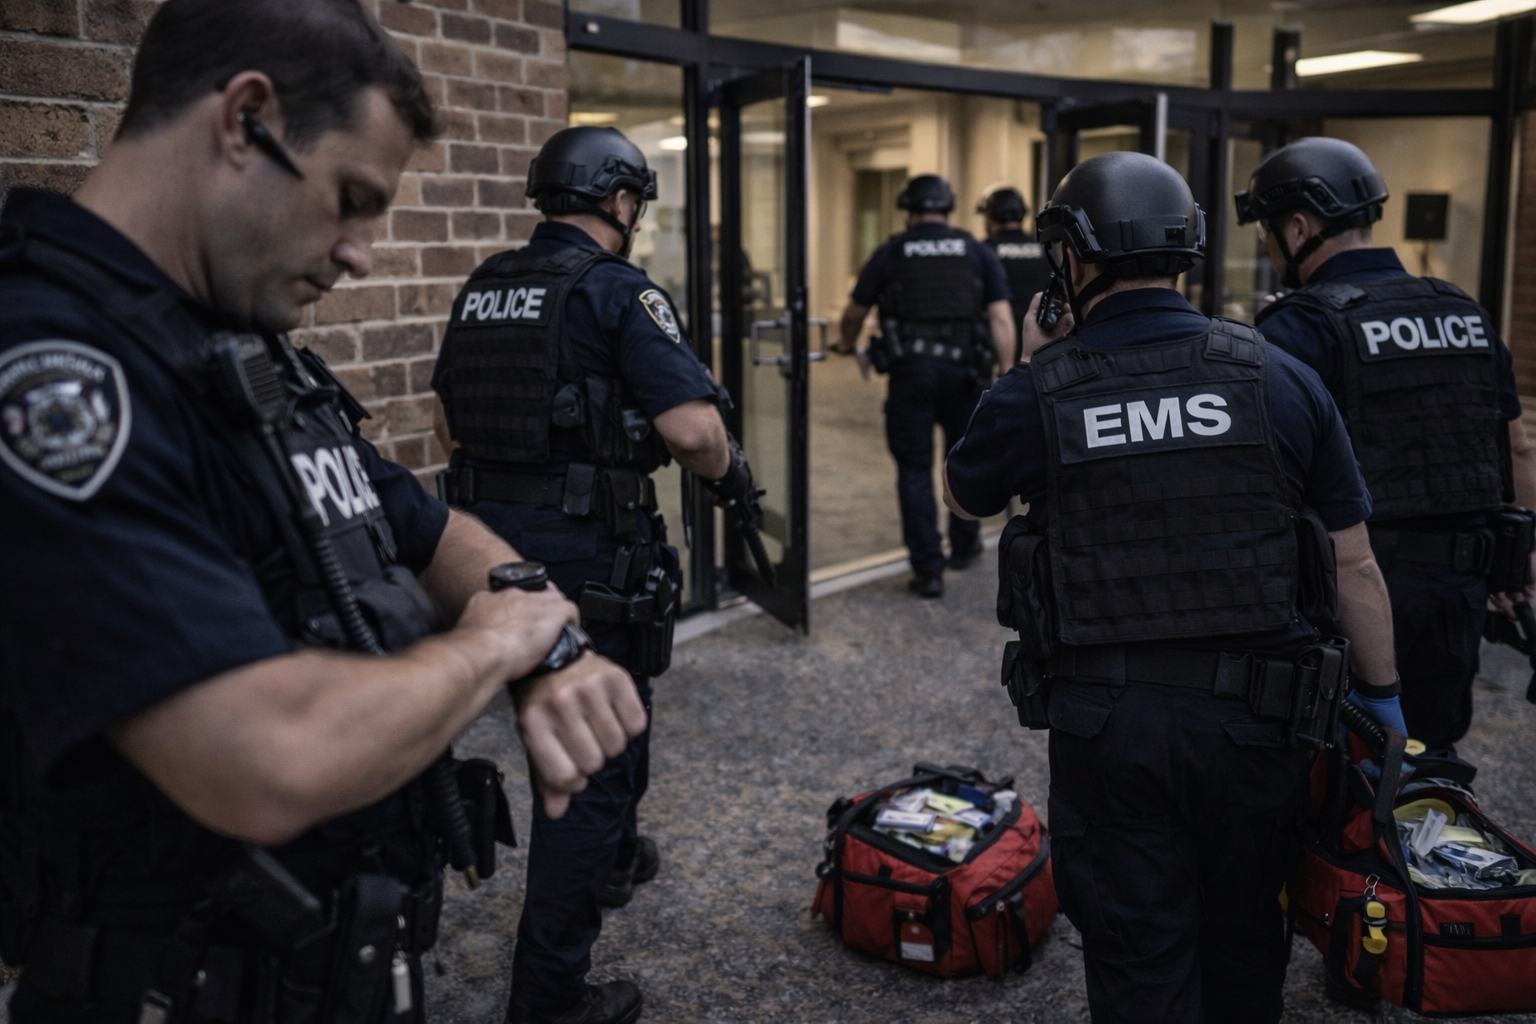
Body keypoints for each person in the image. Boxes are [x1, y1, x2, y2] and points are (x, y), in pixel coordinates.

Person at [0, 4, 649, 1023]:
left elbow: (418, 522)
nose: (361, 255)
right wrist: (493, 650)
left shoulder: (237, 349)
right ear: (244, 118)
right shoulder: (60, 376)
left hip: (325, 965)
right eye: (351, 200)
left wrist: (532, 622)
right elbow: (263, 755)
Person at [944, 150, 1402, 1024]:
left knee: (1138, 953)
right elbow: (1353, 565)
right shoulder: (1277, 375)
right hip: (1261, 727)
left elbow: (964, 499)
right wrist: (1384, 703)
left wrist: (1033, 362)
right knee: (1242, 940)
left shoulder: (1043, 390)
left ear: (1073, 260)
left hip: (1112, 732)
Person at [432, 126, 763, 1024]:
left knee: (609, 718)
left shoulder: (486, 284)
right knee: (587, 769)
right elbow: (692, 432)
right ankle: (549, 997)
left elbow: (447, 415)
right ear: (620, 200)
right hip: (586, 552)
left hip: (482, 547)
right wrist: (736, 479)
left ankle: (613, 860)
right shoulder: (619, 291)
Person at [1237, 136, 1536, 753]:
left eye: (1267, 232)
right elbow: (1518, 450)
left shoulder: (1298, 328)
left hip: (1344, 596)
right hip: (1460, 588)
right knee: (1430, 760)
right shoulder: (1467, 313)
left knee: (1335, 770)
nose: (1268, 249)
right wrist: (1520, 564)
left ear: (1298, 227)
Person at [835, 173, 1015, 598]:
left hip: (911, 375)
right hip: (966, 374)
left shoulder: (891, 253)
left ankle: (928, 568)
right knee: (964, 460)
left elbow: (854, 311)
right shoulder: (975, 251)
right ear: (948, 209)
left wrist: (845, 344)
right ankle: (965, 546)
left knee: (914, 469)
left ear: (909, 211)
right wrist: (1007, 371)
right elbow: (1001, 318)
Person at [977, 185, 1053, 365]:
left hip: (999, 349)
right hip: (1041, 343)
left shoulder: (984, 250)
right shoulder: (1045, 249)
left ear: (990, 217)